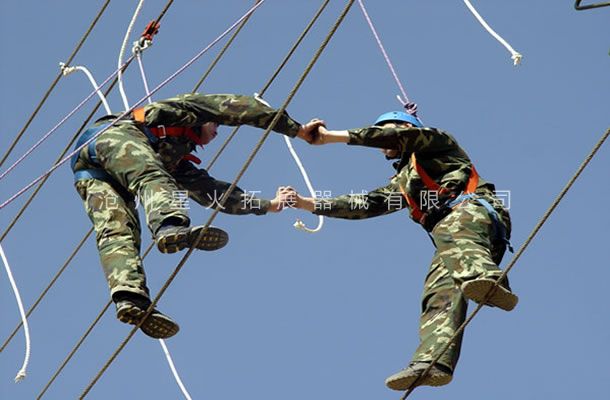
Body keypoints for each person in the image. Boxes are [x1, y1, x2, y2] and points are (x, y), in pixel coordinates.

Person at [288, 111, 518, 390]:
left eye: (386, 132)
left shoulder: (436, 142)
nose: (383, 142)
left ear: (406, 127)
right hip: (456, 243)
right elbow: (364, 203)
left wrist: (330, 137)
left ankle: (490, 281)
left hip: (472, 213)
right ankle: (433, 362)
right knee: (439, 293)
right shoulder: (405, 183)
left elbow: (397, 136)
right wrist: (306, 204)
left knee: (451, 231)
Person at [71, 93, 323, 339]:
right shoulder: (186, 112)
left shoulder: (175, 160)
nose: (217, 131)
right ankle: (169, 227)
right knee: (154, 179)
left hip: (89, 168)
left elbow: (214, 193)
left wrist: (270, 205)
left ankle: (130, 298)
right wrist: (298, 130)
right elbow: (239, 106)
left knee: (116, 229)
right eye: (214, 125)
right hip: (114, 136)